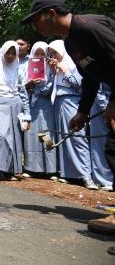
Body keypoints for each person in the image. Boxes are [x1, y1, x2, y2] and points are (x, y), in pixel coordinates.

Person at [20, 0, 115, 237]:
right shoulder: (71, 42)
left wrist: (113, 102)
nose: (34, 25)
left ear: (51, 14)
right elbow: (91, 78)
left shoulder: (88, 28)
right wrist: (83, 111)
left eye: (36, 19)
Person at [47, 40, 94, 188]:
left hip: (72, 102)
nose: (53, 56)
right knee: (63, 137)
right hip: (59, 102)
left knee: (77, 137)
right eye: (52, 53)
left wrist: (65, 71)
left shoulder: (74, 64)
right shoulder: (56, 67)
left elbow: (79, 84)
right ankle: (69, 174)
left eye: (55, 52)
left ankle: (86, 175)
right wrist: (54, 72)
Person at [0, 41, 30, 182]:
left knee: (14, 138)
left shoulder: (18, 69)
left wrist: (27, 115)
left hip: (15, 103)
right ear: (3, 52)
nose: (10, 56)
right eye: (8, 53)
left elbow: (23, 93)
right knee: (1, 135)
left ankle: (8, 171)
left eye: (13, 53)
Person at [23, 42, 57, 179]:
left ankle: (51, 168)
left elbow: (51, 88)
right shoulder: (26, 67)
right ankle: (32, 168)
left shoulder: (51, 68)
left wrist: (51, 75)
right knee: (32, 135)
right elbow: (21, 87)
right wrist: (30, 85)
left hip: (47, 104)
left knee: (47, 134)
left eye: (43, 54)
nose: (40, 56)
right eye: (37, 54)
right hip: (32, 103)